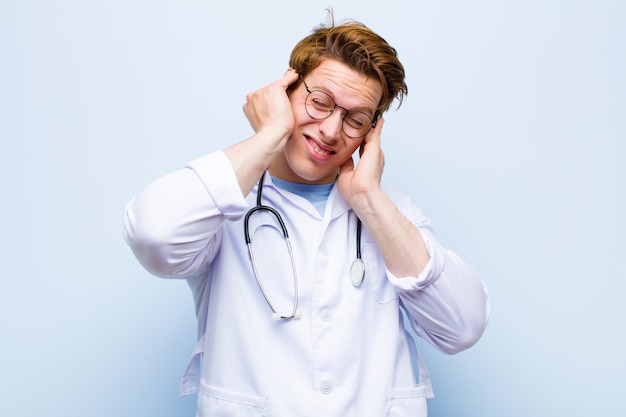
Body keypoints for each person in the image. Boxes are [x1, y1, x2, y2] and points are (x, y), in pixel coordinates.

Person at [124, 13, 490, 417]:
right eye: (319, 102)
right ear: (286, 91)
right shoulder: (225, 204)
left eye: (355, 119)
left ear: (371, 132)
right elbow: (154, 237)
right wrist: (268, 136)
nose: (332, 131)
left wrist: (368, 200)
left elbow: (463, 327)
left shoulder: (393, 213)